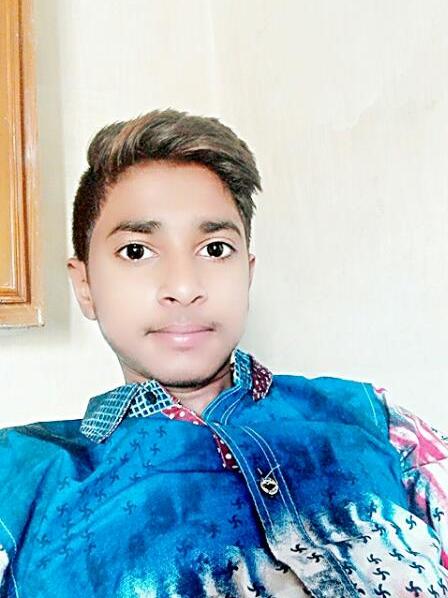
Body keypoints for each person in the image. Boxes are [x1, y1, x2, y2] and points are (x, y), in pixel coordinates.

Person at [0, 109, 446, 598]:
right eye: (137, 251)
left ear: (247, 273)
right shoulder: (18, 478)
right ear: (85, 285)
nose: (184, 287)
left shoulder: (375, 419)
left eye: (214, 249)